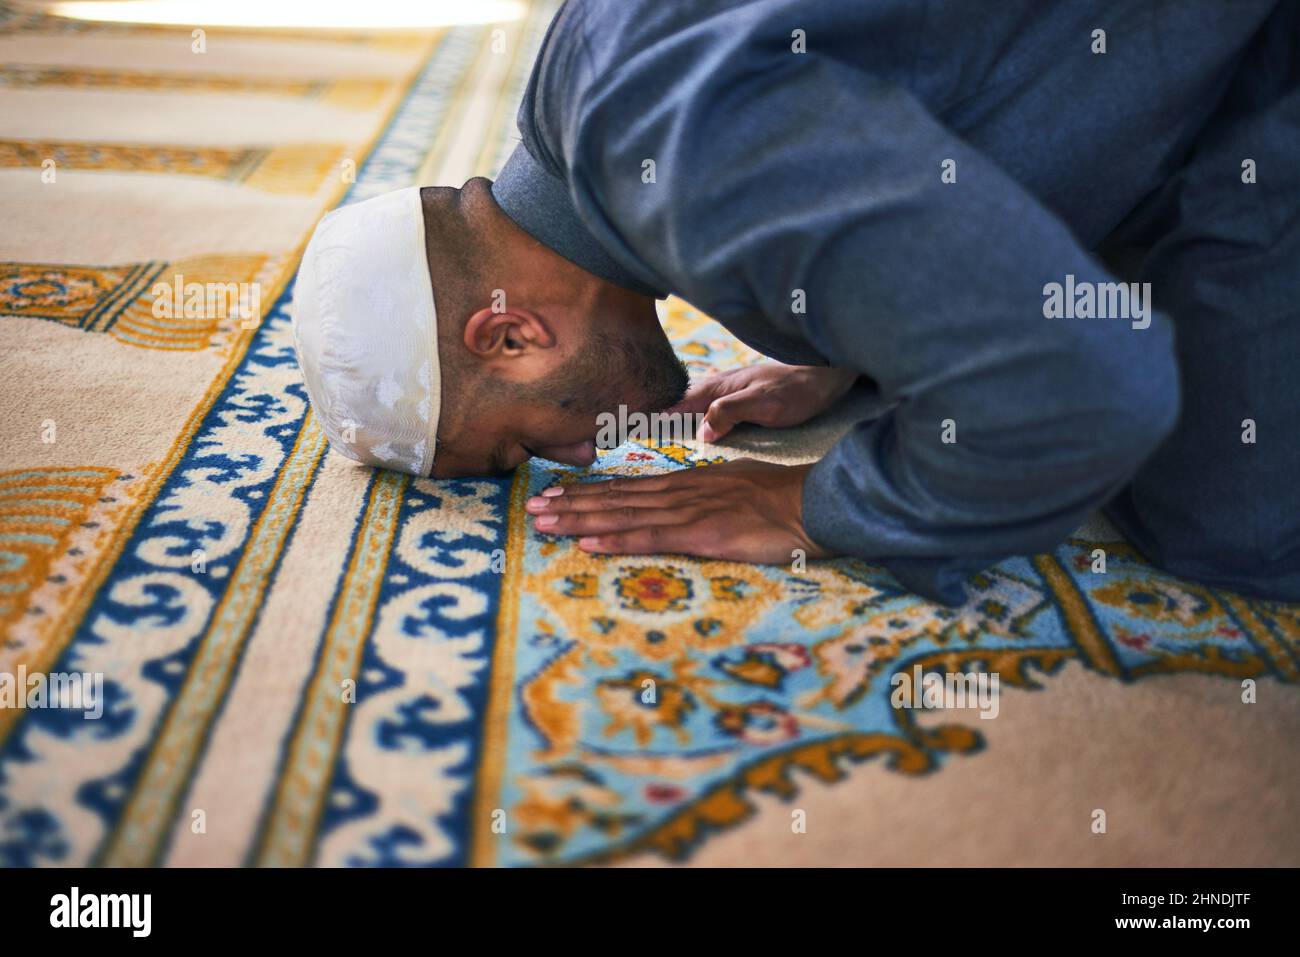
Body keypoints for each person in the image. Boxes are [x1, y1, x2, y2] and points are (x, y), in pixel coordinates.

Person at [291, 0, 1300, 605]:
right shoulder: (584, 77)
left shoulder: (688, 157)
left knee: (1228, 518)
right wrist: (854, 329)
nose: (584, 460)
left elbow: (1087, 390)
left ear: (508, 334)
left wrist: (818, 503)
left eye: (520, 445)